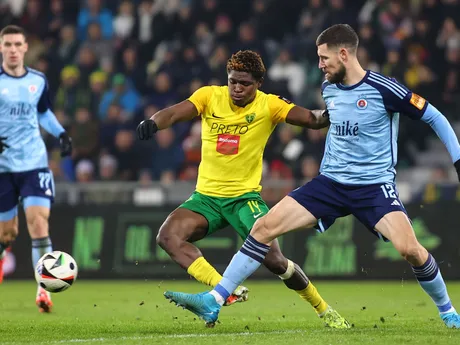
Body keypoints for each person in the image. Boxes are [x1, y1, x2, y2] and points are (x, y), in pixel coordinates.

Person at [164, 24, 460, 329]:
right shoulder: (328, 88)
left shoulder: (385, 89)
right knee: (263, 228)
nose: (319, 65)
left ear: (343, 54)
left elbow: (434, 116)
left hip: (373, 187)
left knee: (410, 250)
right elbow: (325, 121)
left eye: (323, 58)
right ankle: (214, 301)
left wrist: (458, 160)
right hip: (329, 184)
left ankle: (448, 312)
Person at [137, 50, 349, 328]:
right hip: (206, 199)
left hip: (244, 200)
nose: (236, 88)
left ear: (258, 83)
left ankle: (324, 310)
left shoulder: (269, 105)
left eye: (244, 83)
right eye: (232, 81)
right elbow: (175, 113)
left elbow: (313, 119)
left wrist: (339, 109)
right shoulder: (209, 96)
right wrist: (153, 122)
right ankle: (225, 290)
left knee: (275, 262)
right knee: (168, 236)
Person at [0, 25, 72, 312]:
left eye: (18, 44)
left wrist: (61, 133)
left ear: (26, 47)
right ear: (1, 48)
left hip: (34, 163)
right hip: (4, 168)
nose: (13, 49)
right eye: (8, 45)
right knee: (7, 234)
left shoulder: (38, 81)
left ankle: (44, 290)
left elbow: (42, 112)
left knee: (39, 223)